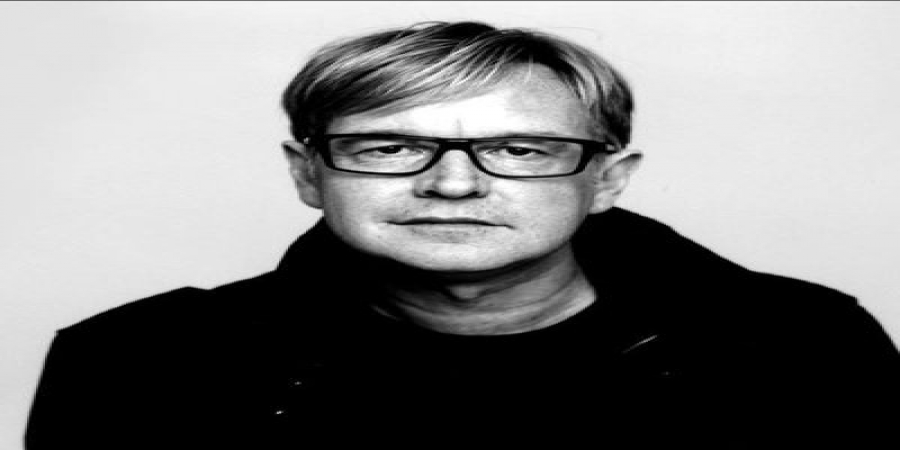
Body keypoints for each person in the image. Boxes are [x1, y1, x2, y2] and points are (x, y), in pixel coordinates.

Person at [25, 21, 899, 449]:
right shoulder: (137, 363)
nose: (452, 184)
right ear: (307, 173)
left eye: (520, 149)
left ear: (607, 179)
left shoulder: (804, 346)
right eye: (388, 147)